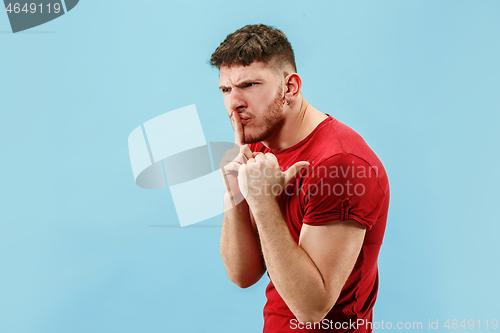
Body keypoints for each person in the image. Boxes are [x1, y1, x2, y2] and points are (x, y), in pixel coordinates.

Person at [210, 24, 390, 333]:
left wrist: (263, 202)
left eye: (250, 85)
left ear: (290, 88)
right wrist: (236, 194)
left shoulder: (341, 166)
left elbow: (311, 309)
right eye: (226, 90)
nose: (233, 103)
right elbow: (242, 275)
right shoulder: (258, 144)